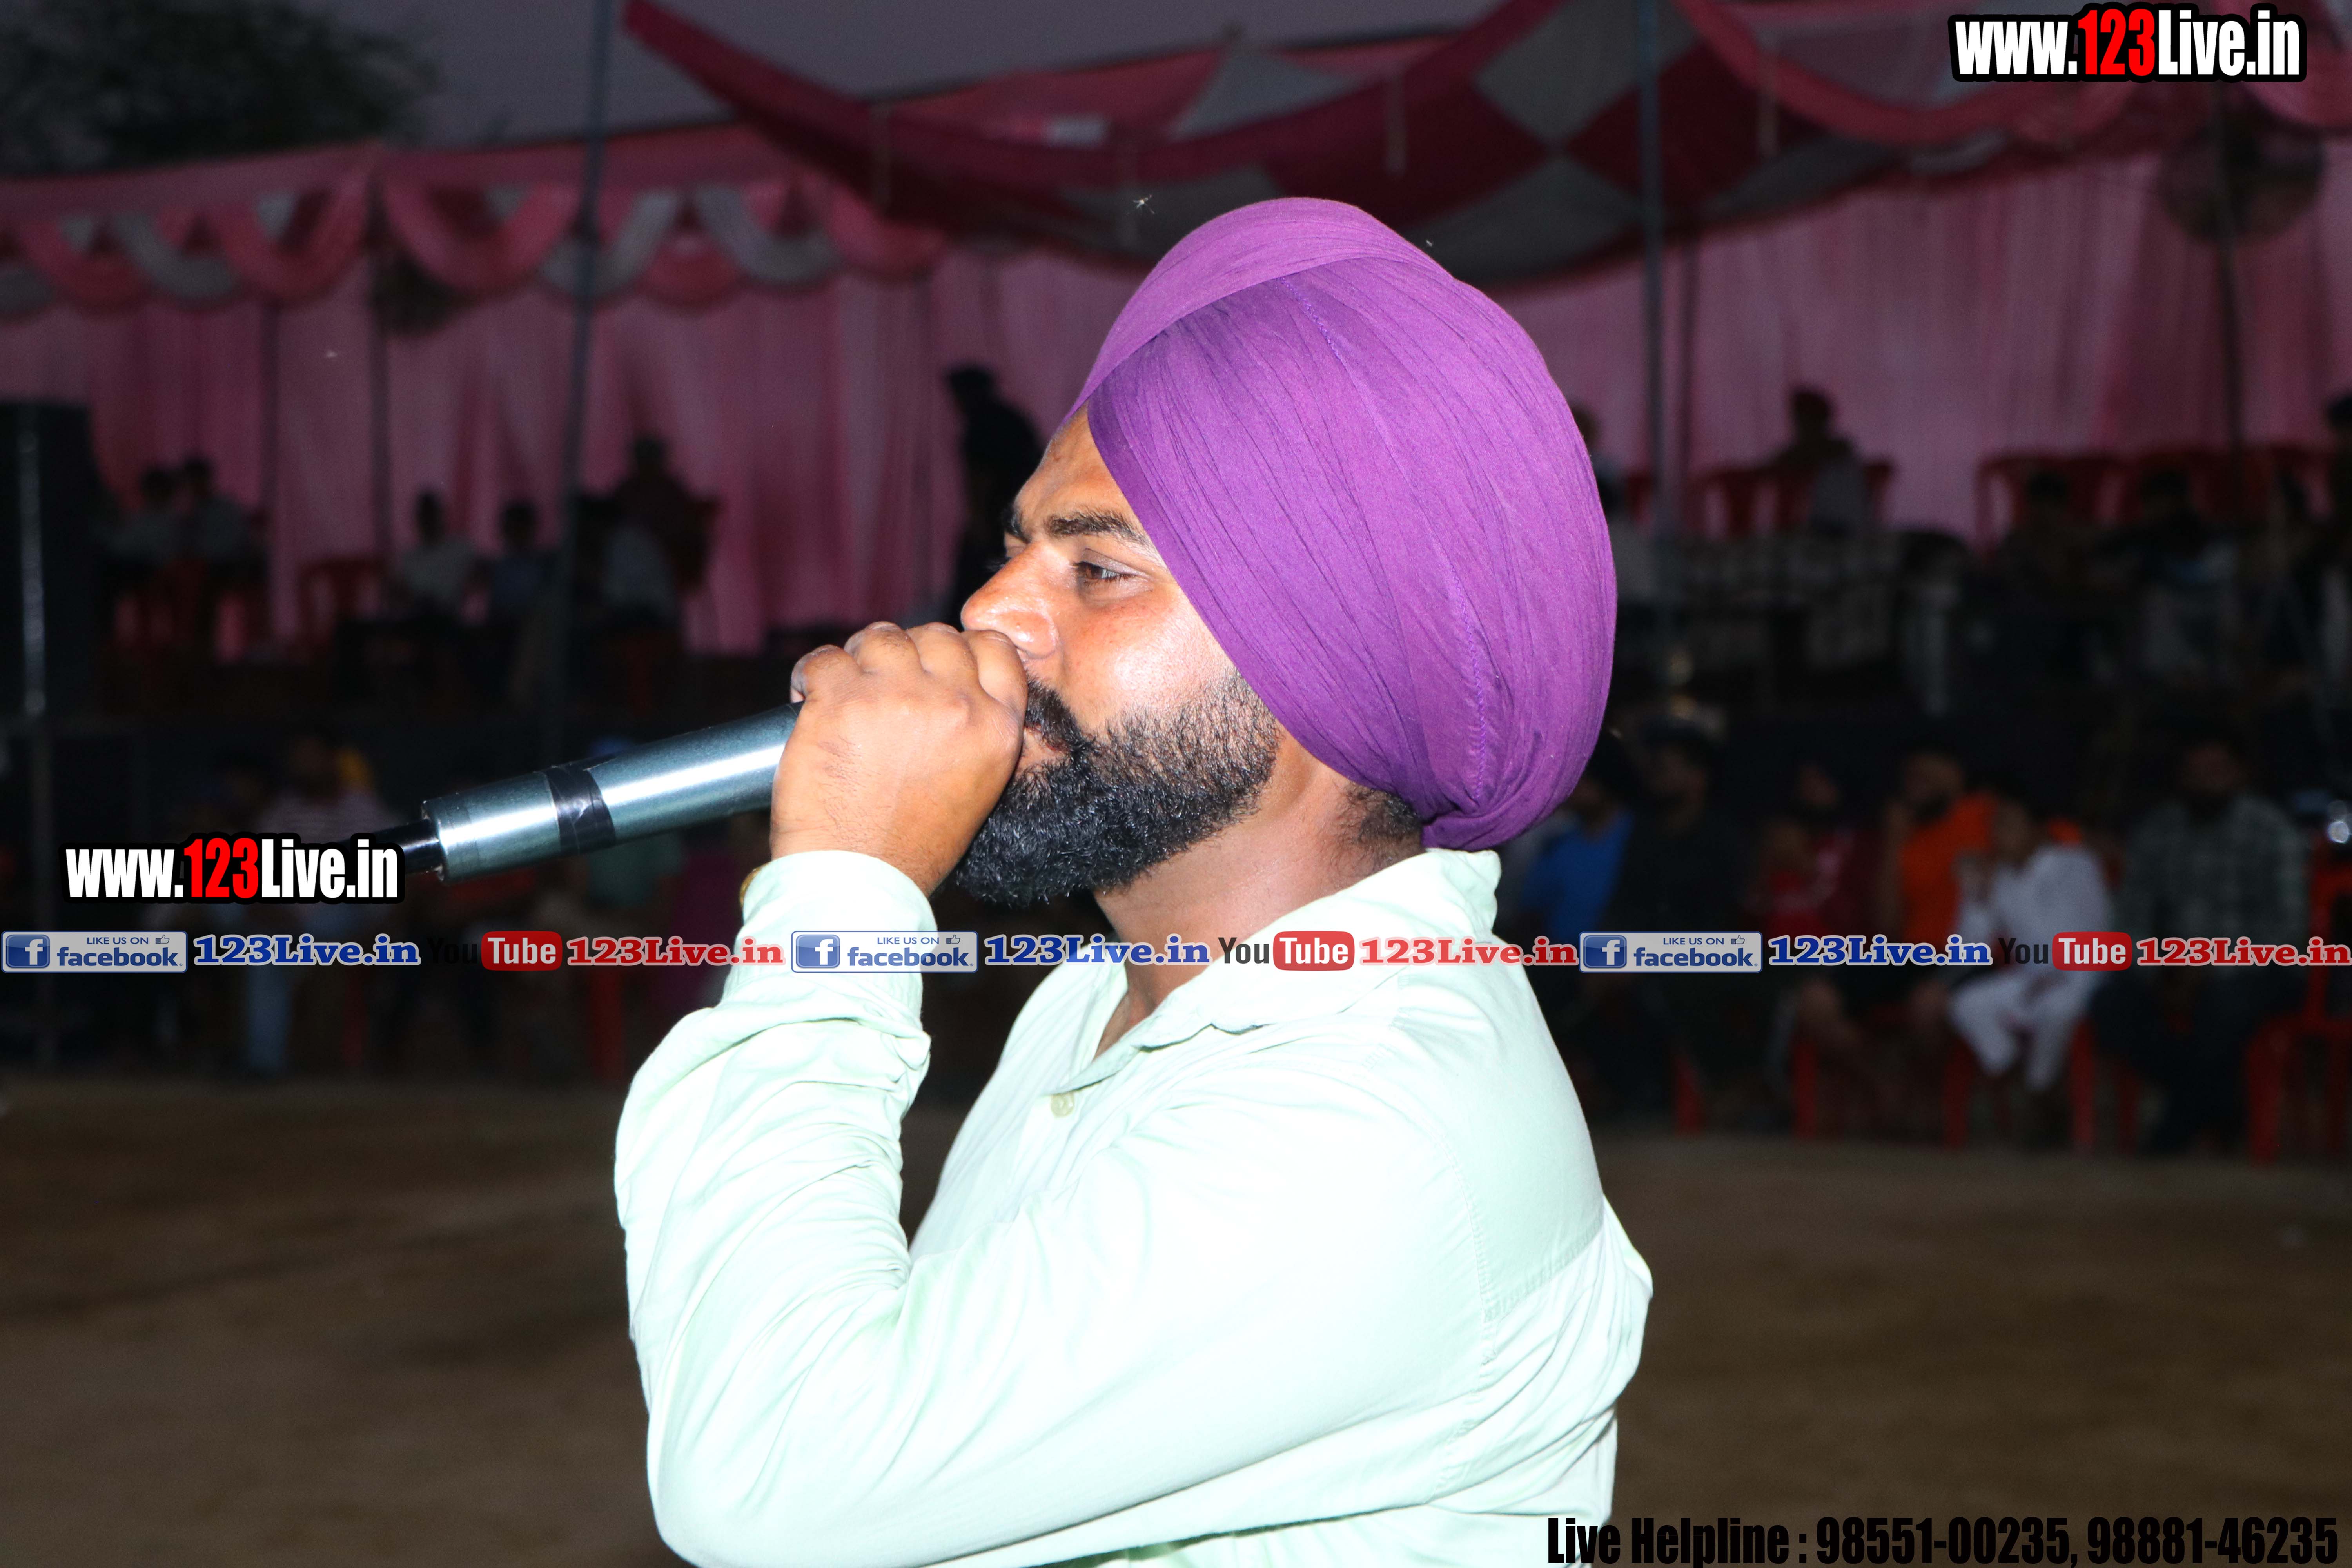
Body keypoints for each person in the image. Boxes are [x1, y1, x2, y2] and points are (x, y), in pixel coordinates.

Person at [616, 198, 1648, 1566]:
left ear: (1321, 663)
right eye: (1016, 549)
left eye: (1097, 569)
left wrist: (843, 891)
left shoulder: (1371, 1122)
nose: (989, 614)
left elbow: (771, 1475)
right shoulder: (1104, 998)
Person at [2089, 728, 2305, 1153]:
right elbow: (2129, 919)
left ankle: (2171, 1135)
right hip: (2172, 966)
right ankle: (2222, 1105)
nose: (2206, 780)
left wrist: (2211, 965)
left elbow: (2288, 929)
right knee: (2111, 1006)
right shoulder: (2158, 830)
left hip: (2257, 967)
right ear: (2181, 776)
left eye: (2217, 770)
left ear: (2240, 774)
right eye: (2195, 771)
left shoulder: (2272, 830)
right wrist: (2159, 969)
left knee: (2223, 1006)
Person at [236, 724, 391, 1078]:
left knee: (319, 923)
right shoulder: (283, 808)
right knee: (261, 947)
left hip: (345, 910)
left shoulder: (359, 805)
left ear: (332, 759)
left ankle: (319, 1060)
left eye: (312, 756)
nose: (304, 764)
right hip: (289, 912)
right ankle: (264, 1063)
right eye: (298, 757)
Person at [1947, 777, 2111, 1099]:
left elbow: (2097, 938)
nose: (1997, 835)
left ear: (2037, 830)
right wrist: (1976, 896)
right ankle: (2012, 1072)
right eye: (1995, 826)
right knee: (1966, 1004)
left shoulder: (2076, 865)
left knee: (2058, 1008)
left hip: (2082, 976)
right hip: (2030, 979)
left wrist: (2057, 974)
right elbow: (1966, 951)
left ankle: (2040, 1089)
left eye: (2008, 825)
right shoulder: (1999, 877)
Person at [944, 364, 1046, 612]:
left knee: (977, 578)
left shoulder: (981, 424)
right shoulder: (1012, 418)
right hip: (1024, 512)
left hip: (998, 515)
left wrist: (978, 522)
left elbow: (980, 479)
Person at [607, 435, 714, 602]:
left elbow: (688, 526)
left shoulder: (669, 490)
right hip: (633, 578)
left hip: (663, 573)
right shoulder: (630, 490)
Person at [1770, 386, 1871, 534]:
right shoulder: (1834, 450)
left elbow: (1793, 456)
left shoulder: (1836, 450)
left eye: (1801, 419)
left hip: (1841, 530)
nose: (1797, 426)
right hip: (1833, 529)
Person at [392, 490, 477, 619]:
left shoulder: (461, 551)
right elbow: (401, 595)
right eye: (425, 516)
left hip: (451, 621)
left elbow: (474, 583)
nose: (428, 521)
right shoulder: (408, 557)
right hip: (417, 620)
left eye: (431, 515)